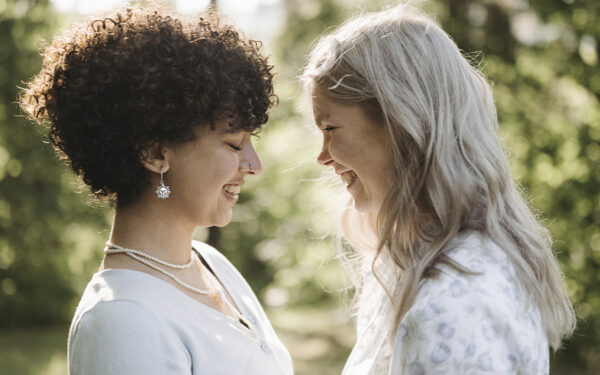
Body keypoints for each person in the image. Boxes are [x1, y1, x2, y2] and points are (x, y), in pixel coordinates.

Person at [19, 4, 293, 374]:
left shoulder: (211, 265)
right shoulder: (122, 320)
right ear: (154, 152)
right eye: (234, 144)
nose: (254, 165)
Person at [302, 4, 575, 374]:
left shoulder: (452, 302)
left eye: (330, 129)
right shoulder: (419, 266)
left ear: (400, 122)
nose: (322, 156)